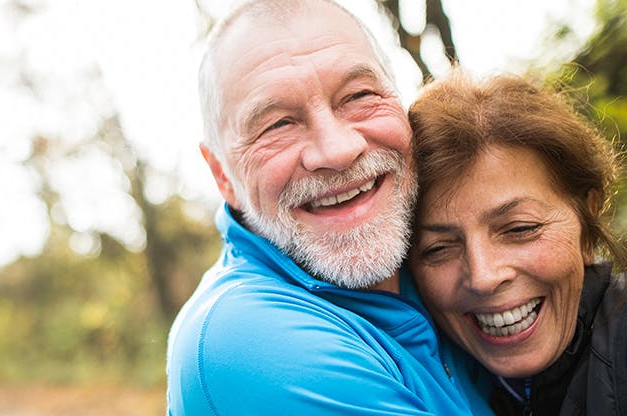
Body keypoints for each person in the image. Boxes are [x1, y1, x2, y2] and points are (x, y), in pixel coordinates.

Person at [166, 1, 493, 414]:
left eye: (359, 96)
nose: (338, 151)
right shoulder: (247, 340)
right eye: (278, 124)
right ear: (223, 176)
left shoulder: (445, 254)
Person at [406, 70, 627, 415]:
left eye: (520, 228)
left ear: (587, 220)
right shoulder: (430, 381)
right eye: (437, 249)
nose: (483, 277)